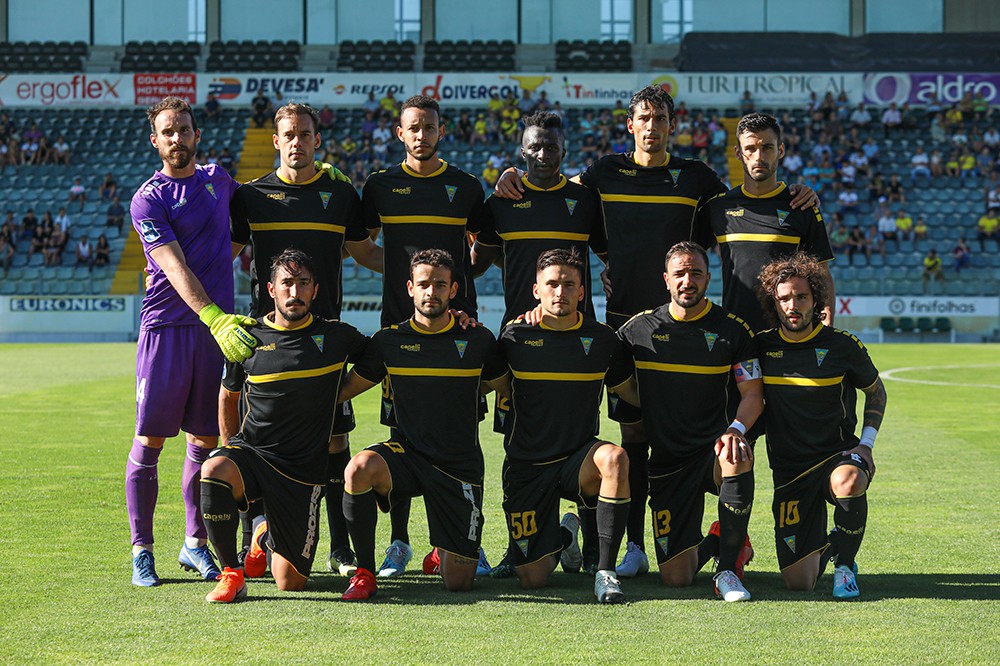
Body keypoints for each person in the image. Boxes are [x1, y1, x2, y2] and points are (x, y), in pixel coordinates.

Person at [494, 86, 817, 578]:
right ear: (631, 124)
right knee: (633, 434)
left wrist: (800, 192)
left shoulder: (696, 178)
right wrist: (512, 175)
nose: (652, 125)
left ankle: (727, 538)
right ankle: (635, 546)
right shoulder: (603, 173)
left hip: (687, 324)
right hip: (625, 328)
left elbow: (745, 205)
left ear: (671, 124)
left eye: (661, 117)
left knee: (699, 433)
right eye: (644, 117)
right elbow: (557, 183)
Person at [229, 102, 382, 578]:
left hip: (325, 346)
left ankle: (340, 546)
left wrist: (421, 277)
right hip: (267, 346)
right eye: (288, 134)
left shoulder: (340, 195)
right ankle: (254, 536)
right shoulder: (251, 197)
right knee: (254, 443)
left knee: (335, 439)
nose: (297, 141)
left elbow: (363, 252)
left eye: (305, 134)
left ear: (318, 140)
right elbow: (224, 257)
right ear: (276, 141)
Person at [359, 95, 488, 577]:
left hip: (458, 333)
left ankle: (456, 539)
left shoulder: (465, 187)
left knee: (462, 431)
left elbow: (485, 247)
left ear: (440, 131)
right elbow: (359, 243)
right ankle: (400, 542)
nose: (421, 135)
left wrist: (460, 293)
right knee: (400, 434)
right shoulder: (380, 186)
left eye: (429, 127)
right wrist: (396, 271)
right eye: (413, 128)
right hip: (401, 330)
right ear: (399, 133)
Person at [126, 96, 250, 588]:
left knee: (204, 440)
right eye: (167, 132)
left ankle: (194, 543)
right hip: (168, 331)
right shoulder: (147, 198)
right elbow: (173, 266)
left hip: (211, 333)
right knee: (150, 441)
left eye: (184, 130)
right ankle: (142, 550)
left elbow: (255, 214)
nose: (177, 139)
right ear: (155, 141)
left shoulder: (220, 181)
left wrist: (314, 174)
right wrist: (214, 314)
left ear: (197, 135)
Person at [337, 249, 507, 600]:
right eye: (425, 284)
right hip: (409, 456)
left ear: (454, 289)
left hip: (459, 466)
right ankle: (366, 573)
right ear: (410, 288)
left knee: (458, 582)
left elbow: (508, 386)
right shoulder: (389, 342)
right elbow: (346, 390)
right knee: (358, 469)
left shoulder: (477, 341)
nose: (432, 292)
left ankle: (440, 551)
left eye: (440, 285)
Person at [201, 248, 368, 603]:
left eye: (303, 283)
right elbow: (227, 396)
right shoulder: (248, 337)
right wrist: (230, 448)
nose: (295, 292)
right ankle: (232, 573)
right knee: (215, 468)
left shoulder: (337, 337)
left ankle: (263, 535)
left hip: (303, 472)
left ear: (315, 290)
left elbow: (378, 360)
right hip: (255, 454)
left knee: (290, 582)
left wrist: (335, 395)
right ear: (271, 290)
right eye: (287, 283)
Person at [613, 241, 763, 602]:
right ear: (666, 280)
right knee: (676, 579)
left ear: (708, 278)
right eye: (680, 273)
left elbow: (753, 396)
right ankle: (721, 539)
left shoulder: (733, 330)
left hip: (712, 452)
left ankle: (727, 570)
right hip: (666, 464)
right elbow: (596, 356)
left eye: (696, 272)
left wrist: (735, 430)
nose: (688, 280)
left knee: (736, 454)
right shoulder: (638, 330)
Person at [494, 248, 633, 602]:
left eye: (569, 284)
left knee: (615, 458)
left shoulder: (603, 340)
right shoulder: (513, 338)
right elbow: (482, 384)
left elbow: (629, 392)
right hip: (527, 466)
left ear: (582, 292)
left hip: (577, 460)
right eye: (552, 284)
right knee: (532, 579)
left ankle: (604, 571)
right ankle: (565, 538)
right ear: (536, 290)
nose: (560, 292)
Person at [755, 252, 887, 599]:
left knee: (849, 480)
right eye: (784, 298)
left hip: (836, 456)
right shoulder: (761, 347)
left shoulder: (842, 346)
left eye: (801, 296)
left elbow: (877, 393)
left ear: (816, 299)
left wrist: (866, 444)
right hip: (790, 472)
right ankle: (830, 545)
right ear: (774, 303)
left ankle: (844, 565)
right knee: (798, 583)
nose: (793, 305)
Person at [704, 113, 835, 335]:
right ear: (738, 153)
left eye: (767, 148)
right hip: (737, 337)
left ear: (780, 151)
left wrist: (826, 328)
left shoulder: (801, 206)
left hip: (788, 337)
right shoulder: (719, 207)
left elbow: (822, 273)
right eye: (750, 149)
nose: (759, 156)